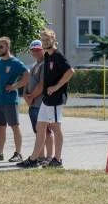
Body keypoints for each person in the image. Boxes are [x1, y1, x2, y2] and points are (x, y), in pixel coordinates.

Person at [17, 28, 74, 169]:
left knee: (55, 128)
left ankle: (57, 160)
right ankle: (33, 159)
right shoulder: (47, 56)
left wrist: (56, 87)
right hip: (46, 100)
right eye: (43, 40)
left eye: (47, 40)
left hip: (56, 99)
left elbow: (70, 71)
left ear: (53, 40)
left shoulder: (57, 55)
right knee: (40, 127)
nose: (45, 42)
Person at [0, 36, 29, 162]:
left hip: (10, 100)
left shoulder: (15, 62)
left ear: (7, 47)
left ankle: (18, 153)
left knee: (14, 126)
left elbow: (27, 76)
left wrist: (15, 86)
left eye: (1, 46)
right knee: (0, 128)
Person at [23, 39, 53, 163]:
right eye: (33, 50)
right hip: (33, 104)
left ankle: (49, 157)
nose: (35, 52)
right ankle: (40, 156)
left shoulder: (45, 64)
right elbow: (27, 82)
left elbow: (42, 85)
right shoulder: (33, 65)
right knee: (38, 132)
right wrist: (25, 95)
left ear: (43, 50)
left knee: (46, 131)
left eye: (38, 50)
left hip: (42, 103)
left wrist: (32, 97)